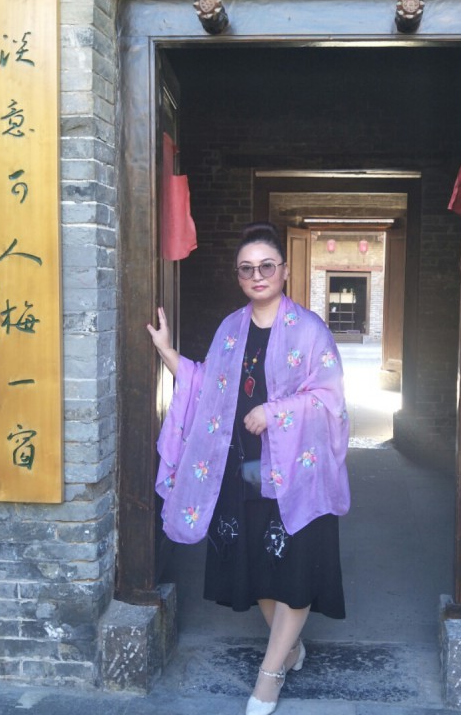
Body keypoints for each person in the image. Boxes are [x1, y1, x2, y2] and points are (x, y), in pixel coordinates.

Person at [147, 222, 350, 715]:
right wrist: (168, 352)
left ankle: (270, 675)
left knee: (295, 571)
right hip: (243, 470)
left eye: (266, 266)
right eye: (246, 269)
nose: (257, 275)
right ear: (238, 276)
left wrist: (275, 412)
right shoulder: (230, 330)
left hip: (297, 475)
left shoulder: (310, 330)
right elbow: (206, 386)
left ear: (284, 270)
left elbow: (331, 399)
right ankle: (290, 649)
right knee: (257, 568)